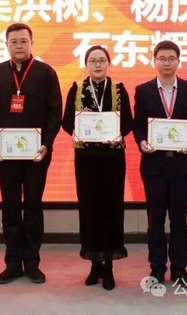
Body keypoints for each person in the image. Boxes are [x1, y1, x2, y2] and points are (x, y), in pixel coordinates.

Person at [0, 23, 62, 284]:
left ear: (32, 43)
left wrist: (46, 143)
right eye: (13, 41)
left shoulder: (46, 72)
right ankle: (13, 262)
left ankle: (33, 263)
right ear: (6, 45)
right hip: (5, 155)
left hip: (37, 154)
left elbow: (55, 112)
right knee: (11, 207)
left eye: (23, 41)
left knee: (34, 206)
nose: (18, 46)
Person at [133, 40, 187, 288]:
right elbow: (138, 124)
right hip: (153, 164)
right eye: (162, 58)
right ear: (154, 61)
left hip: (182, 165)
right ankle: (156, 267)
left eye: (171, 58)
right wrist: (142, 141)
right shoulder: (143, 90)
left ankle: (179, 268)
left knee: (179, 218)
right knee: (155, 218)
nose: (166, 63)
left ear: (178, 61)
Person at [61, 46, 133, 291]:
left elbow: (128, 122)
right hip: (86, 158)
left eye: (102, 60)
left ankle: (109, 266)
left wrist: (116, 134)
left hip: (112, 158)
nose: (98, 64)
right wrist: (78, 132)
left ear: (108, 63)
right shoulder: (76, 89)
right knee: (90, 209)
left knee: (111, 209)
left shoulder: (119, 89)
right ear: (86, 64)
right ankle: (94, 264)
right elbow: (66, 121)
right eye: (93, 60)